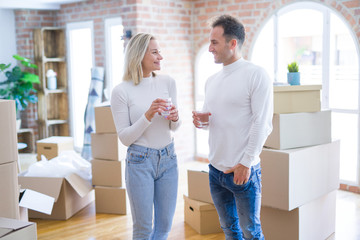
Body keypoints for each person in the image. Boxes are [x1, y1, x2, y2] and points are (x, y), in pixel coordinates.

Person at [192, 15, 273, 239]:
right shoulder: (211, 81)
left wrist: (246, 163)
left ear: (233, 43)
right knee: (229, 229)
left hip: (243, 172)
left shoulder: (256, 75)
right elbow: (213, 121)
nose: (209, 48)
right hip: (215, 171)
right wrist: (202, 122)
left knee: (251, 232)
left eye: (214, 42)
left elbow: (263, 123)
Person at [111, 33, 181, 240]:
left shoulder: (168, 82)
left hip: (169, 159)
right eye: (155, 52)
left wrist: (176, 118)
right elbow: (124, 138)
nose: (161, 57)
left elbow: (174, 127)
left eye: (160, 51)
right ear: (139, 55)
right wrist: (148, 115)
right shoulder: (121, 91)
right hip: (140, 161)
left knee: (164, 225)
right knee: (143, 228)